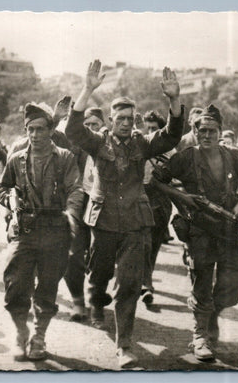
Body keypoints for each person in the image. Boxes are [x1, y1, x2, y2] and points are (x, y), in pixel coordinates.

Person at [65, 60, 184, 368]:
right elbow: (72, 129)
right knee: (101, 272)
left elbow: (171, 136)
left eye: (131, 118)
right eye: (121, 118)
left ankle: (124, 345)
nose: (126, 122)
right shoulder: (97, 141)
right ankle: (95, 300)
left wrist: (173, 99)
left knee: (129, 283)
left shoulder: (142, 144)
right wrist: (88, 89)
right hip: (103, 221)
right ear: (111, 119)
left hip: (135, 222)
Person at [153, 104, 238, 361]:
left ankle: (212, 315)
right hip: (200, 228)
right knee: (201, 280)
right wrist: (182, 197)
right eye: (202, 131)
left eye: (213, 131)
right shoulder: (186, 157)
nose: (207, 135)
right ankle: (201, 335)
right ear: (195, 131)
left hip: (229, 228)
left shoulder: (232, 155)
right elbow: (156, 180)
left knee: (234, 282)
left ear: (221, 132)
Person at [0, 102, 80, 361]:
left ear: (51, 130)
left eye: (40, 129)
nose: (35, 135)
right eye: (30, 129)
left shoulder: (65, 158)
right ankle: (21, 333)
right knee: (15, 284)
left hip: (55, 229)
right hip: (24, 229)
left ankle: (39, 337)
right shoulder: (16, 159)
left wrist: (71, 213)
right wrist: (11, 200)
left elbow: (76, 189)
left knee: (47, 287)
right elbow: (3, 188)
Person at [64, 106, 107, 321]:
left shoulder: (108, 146)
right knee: (72, 255)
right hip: (79, 203)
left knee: (99, 257)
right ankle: (78, 301)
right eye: (87, 125)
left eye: (95, 125)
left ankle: (95, 299)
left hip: (103, 205)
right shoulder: (75, 148)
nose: (90, 130)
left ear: (103, 126)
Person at [138, 110, 174, 306]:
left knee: (154, 244)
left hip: (161, 200)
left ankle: (146, 281)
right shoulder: (140, 146)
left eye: (154, 128)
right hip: (140, 197)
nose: (150, 131)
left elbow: (176, 178)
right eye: (148, 128)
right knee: (143, 242)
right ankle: (146, 285)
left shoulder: (170, 151)